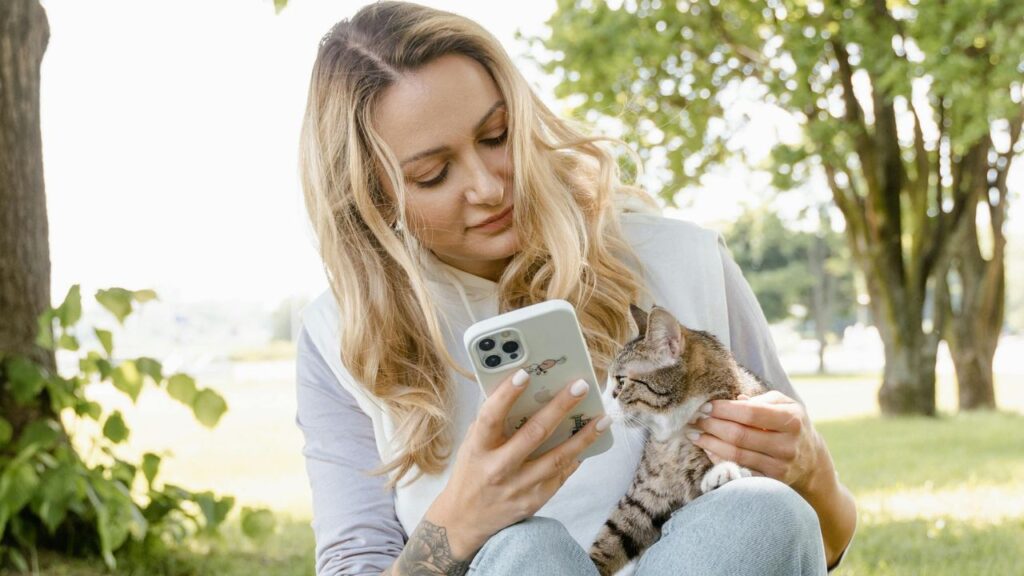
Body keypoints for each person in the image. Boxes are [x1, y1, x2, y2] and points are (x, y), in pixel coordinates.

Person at [293, 2, 857, 575]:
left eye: (498, 135)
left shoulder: (684, 261)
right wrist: (459, 521)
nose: (489, 187)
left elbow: (819, 541)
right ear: (374, 196)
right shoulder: (341, 335)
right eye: (432, 174)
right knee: (523, 551)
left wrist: (812, 471)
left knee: (765, 514)